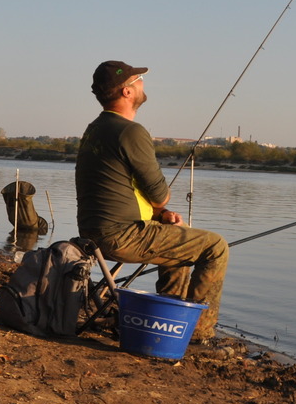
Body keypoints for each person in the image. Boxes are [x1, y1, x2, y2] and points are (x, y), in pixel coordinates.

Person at [75, 60, 229, 341]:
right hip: (122, 236)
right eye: (138, 80)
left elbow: (118, 189)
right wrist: (163, 205)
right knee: (216, 247)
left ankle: (167, 324)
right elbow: (159, 193)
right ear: (126, 92)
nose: (143, 84)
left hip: (93, 233)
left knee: (177, 237)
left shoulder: (95, 129)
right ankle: (198, 335)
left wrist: (161, 215)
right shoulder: (130, 131)